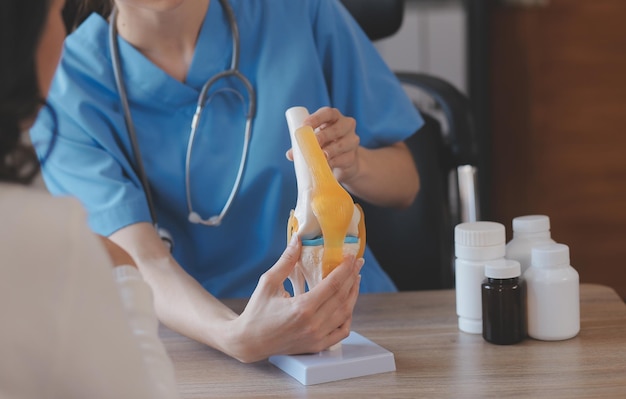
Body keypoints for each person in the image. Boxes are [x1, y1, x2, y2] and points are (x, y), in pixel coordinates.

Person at [30, 0, 423, 362]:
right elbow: (141, 260)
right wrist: (235, 335)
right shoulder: (65, 83)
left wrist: (353, 165)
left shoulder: (300, 11)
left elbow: (406, 185)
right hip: (201, 338)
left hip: (355, 314)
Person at [0, 0, 181, 397]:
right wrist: (124, 279)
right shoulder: (47, 241)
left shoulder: (304, 15)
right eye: (55, 13)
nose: (64, 32)